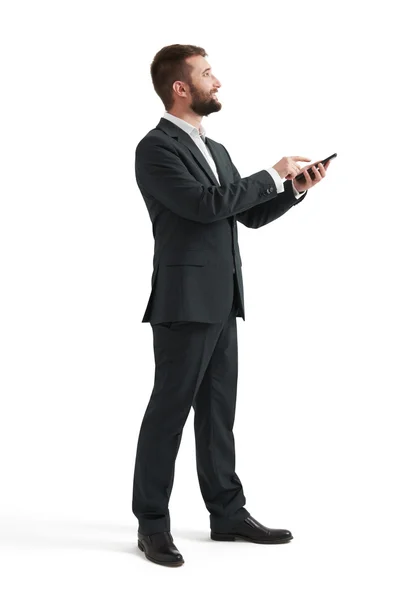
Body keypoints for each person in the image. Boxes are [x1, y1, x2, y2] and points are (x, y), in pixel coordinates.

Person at [132, 44, 331, 567]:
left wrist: (291, 190)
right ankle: (152, 524)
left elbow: (245, 215)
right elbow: (203, 207)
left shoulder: (214, 149)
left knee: (219, 414)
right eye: (206, 73)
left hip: (223, 301)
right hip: (183, 302)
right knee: (168, 414)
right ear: (181, 87)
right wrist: (270, 172)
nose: (216, 81)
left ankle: (227, 512)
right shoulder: (155, 149)